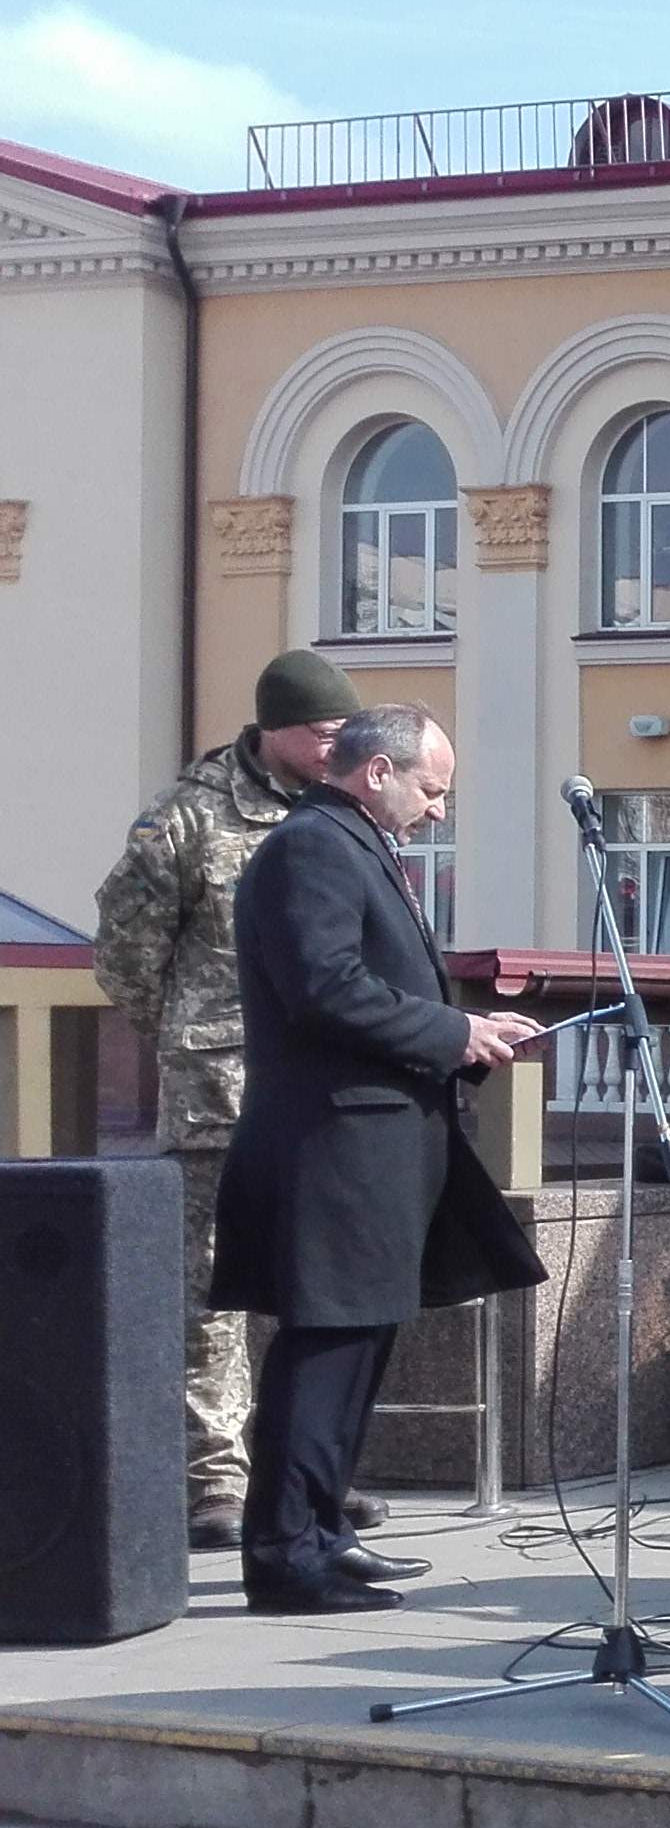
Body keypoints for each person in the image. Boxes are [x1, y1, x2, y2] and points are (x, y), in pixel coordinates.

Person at [207, 703, 545, 1610]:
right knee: (324, 1353)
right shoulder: (310, 847)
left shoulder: (353, 842)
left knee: (358, 1352)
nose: (439, 811)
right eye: (431, 790)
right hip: (333, 1150)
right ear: (377, 772)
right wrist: (454, 1029)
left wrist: (466, 1030)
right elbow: (325, 989)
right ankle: (284, 1555)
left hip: (377, 1147)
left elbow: (370, 985)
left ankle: (323, 1530)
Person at [93, 650, 362, 1550]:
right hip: (219, 1095)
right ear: (273, 729)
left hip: (322, 1091)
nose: (338, 748)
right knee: (212, 1296)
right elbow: (126, 950)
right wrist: (190, 1030)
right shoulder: (191, 817)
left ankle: (306, 1477)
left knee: (315, 1289)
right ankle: (217, 1481)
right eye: (324, 734)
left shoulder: (348, 811)